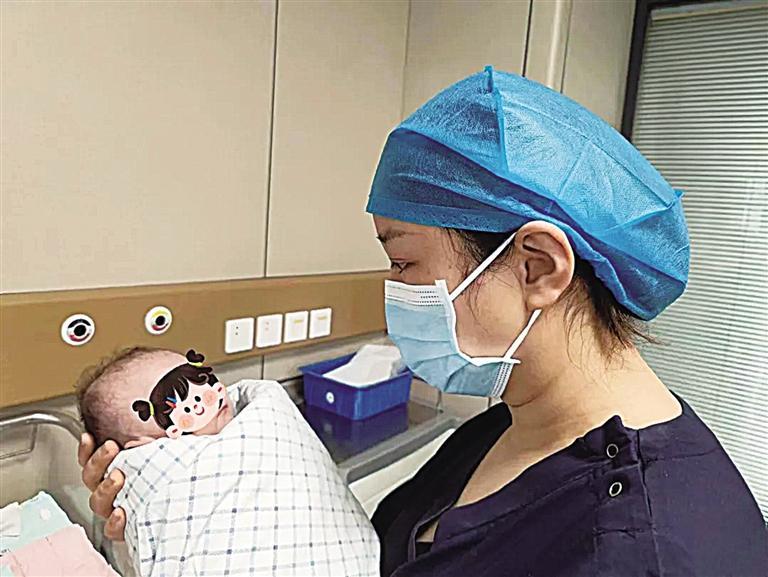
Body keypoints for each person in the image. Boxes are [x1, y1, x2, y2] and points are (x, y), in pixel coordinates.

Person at [79, 67, 768, 576]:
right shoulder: (504, 426)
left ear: (538, 267)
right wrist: (188, 507)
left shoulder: (657, 550)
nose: (392, 290)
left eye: (404, 261)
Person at [76, 347, 378, 576]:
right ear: (142, 448)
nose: (206, 396)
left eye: (200, 378)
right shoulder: (162, 468)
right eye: (179, 401)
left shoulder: (262, 416)